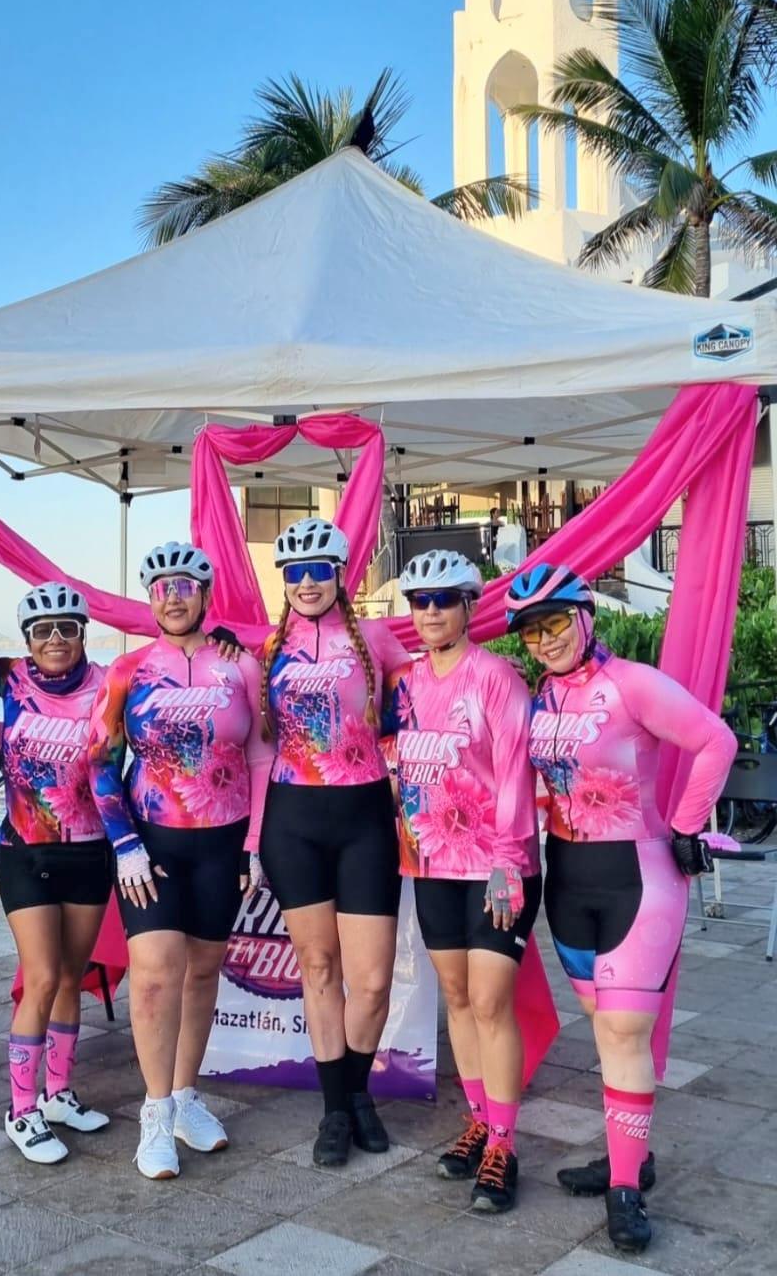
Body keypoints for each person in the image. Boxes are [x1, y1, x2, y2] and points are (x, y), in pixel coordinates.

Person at [504, 563, 737, 1253]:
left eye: (553, 621)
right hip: (569, 881)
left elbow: (714, 738)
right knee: (606, 1032)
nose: (542, 639)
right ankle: (627, 1151)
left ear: (586, 615)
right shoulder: (539, 698)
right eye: (528, 629)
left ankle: (626, 1189)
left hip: (640, 877)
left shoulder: (630, 682)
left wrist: (691, 823)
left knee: (625, 1033)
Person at [88, 541, 271, 1181]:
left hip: (222, 844)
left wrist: (252, 845)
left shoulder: (238, 666)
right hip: (153, 847)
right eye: (161, 586)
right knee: (157, 975)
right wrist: (125, 844)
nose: (173, 596)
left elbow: (259, 760)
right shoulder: (128, 671)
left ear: (205, 594)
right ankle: (155, 1114)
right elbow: (100, 764)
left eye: (185, 585)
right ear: (150, 599)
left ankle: (188, 1095)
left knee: (202, 973)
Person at [389, 549, 540, 1213]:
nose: (428, 611)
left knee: (490, 1002)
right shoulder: (402, 682)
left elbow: (515, 773)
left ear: (468, 605)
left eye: (442, 599)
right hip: (428, 863)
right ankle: (478, 1118)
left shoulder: (497, 677)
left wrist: (508, 860)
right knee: (455, 994)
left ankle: (504, 1140)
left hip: (495, 866)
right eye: (418, 600)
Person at [258, 518, 409, 1169]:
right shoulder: (265, 648)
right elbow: (257, 741)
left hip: (365, 814)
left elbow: (410, 720)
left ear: (341, 574)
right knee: (319, 971)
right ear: (284, 581)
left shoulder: (377, 638)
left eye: (319, 570)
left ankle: (357, 1090)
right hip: (292, 820)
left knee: (371, 981)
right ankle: (337, 1109)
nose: (308, 582)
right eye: (295, 572)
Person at [0, 583, 115, 1165]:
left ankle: (59, 1091)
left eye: (67, 628)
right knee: (40, 979)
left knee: (72, 976)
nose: (56, 639)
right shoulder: (8, 678)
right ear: (27, 641)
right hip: (26, 851)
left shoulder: (109, 682)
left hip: (90, 850)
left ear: (83, 633)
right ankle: (21, 1109)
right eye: (43, 631)